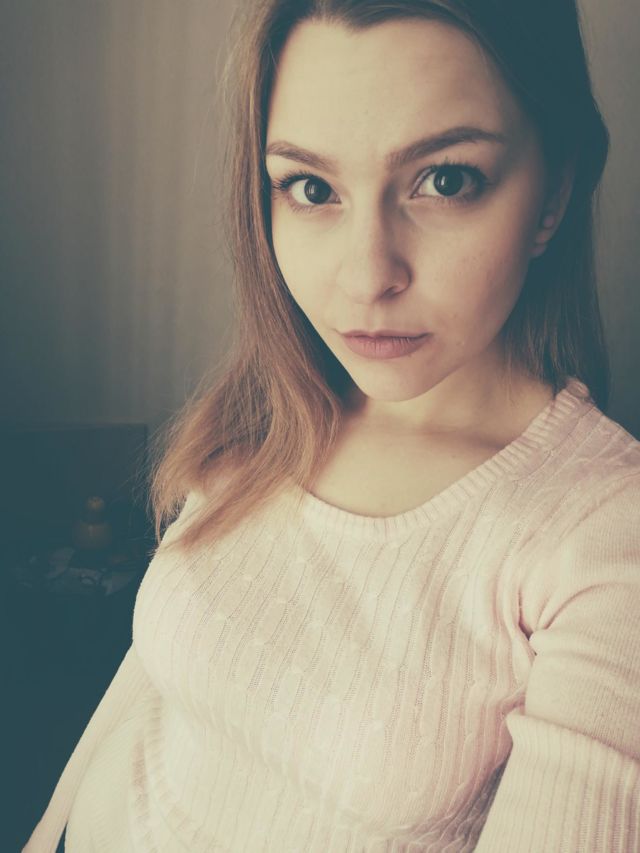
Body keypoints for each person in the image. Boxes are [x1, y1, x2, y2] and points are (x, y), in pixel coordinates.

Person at [25, 0, 640, 850]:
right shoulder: (272, 406)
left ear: (555, 192)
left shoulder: (605, 537)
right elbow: (153, 692)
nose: (364, 276)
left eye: (446, 179)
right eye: (312, 188)